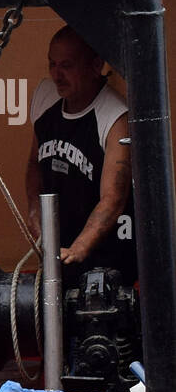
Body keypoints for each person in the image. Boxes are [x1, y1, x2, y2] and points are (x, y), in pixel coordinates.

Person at [25, 26, 136, 287]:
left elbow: (113, 200)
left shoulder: (115, 116)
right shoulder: (45, 97)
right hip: (61, 253)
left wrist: (78, 249)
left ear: (96, 65)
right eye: (52, 64)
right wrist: (33, 212)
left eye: (67, 65)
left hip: (108, 259)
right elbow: (34, 164)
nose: (56, 75)